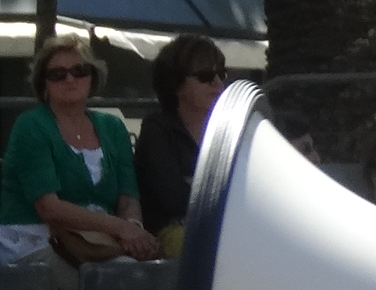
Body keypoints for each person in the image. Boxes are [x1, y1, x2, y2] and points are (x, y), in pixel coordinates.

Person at [0, 35, 158, 266]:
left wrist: (134, 229)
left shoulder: (113, 127)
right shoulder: (31, 126)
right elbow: (50, 209)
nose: (70, 79)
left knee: (138, 270)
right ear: (44, 83)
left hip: (96, 240)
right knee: (121, 274)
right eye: (57, 74)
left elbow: (128, 196)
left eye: (79, 71)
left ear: (92, 77)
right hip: (33, 240)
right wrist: (121, 228)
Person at [134, 33, 226, 251]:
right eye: (205, 76)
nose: (217, 83)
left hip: (223, 227)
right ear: (175, 84)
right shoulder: (157, 129)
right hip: (169, 231)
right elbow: (174, 199)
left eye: (221, 74)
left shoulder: (230, 128)